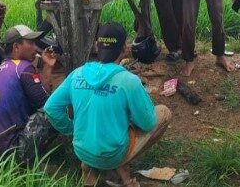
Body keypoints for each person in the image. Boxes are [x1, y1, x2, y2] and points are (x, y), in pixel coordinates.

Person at [45, 23, 171, 187]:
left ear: (97, 46)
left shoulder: (77, 74)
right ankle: (118, 163)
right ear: (124, 48)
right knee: (163, 113)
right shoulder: (129, 81)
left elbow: (50, 107)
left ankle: (91, 168)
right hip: (113, 154)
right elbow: (147, 123)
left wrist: (71, 129)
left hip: (82, 150)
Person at [0, 25, 57, 161]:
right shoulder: (23, 67)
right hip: (3, 153)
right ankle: (29, 162)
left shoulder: (1, 67)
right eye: (31, 43)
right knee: (56, 109)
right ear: (16, 47)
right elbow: (46, 103)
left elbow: (39, 96)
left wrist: (47, 66)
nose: (35, 48)